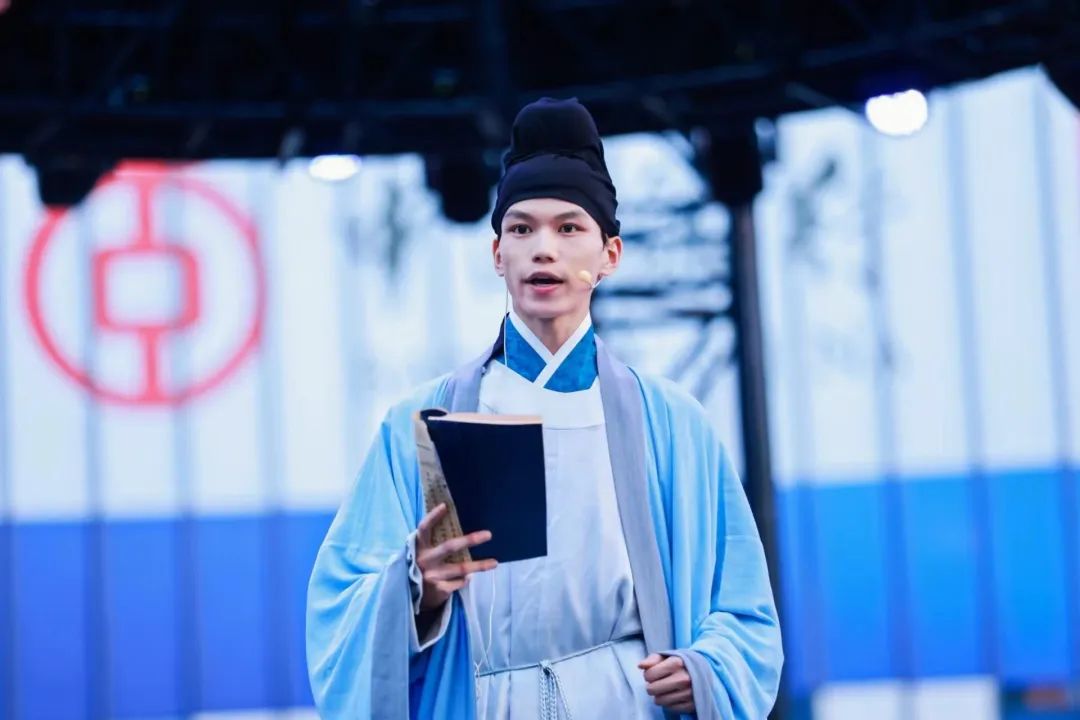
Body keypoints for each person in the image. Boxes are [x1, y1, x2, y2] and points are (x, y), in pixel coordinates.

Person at [306, 97, 783, 719]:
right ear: (496, 254)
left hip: (626, 701)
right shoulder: (425, 420)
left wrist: (706, 669)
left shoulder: (671, 422)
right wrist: (415, 586)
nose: (543, 249)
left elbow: (743, 606)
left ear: (610, 255)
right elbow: (340, 604)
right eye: (521, 229)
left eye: (569, 228)